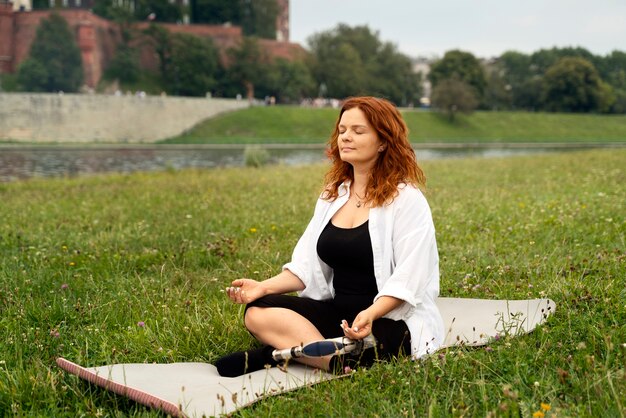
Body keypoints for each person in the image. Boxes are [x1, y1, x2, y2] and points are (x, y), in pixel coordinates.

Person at [216, 96, 444, 377]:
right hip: (338, 315)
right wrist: (263, 287)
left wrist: (371, 314)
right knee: (257, 310)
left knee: (378, 342)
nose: (345, 137)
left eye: (358, 131)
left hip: (387, 318)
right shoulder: (333, 195)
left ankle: (284, 353)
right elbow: (306, 267)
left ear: (384, 141)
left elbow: (410, 277)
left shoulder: (407, 199)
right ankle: (331, 358)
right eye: (342, 130)